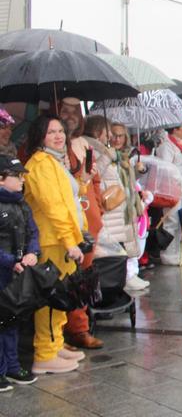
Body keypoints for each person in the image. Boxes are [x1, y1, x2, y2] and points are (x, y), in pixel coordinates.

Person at [24, 116, 87, 374]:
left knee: (60, 297)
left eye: (60, 131)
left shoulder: (53, 161)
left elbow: (67, 197)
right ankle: (45, 353)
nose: (58, 136)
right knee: (50, 298)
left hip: (63, 239)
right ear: (41, 135)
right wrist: (69, 241)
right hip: (52, 240)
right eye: (51, 132)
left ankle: (55, 343)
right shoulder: (40, 164)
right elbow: (53, 207)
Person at [55, 97, 104, 350]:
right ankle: (69, 330)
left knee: (84, 277)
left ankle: (79, 327)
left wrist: (99, 209)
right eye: (65, 111)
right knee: (65, 277)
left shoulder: (84, 145)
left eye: (75, 111)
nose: (70, 116)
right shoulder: (46, 149)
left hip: (87, 220)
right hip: (64, 223)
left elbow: (93, 181)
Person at [83, 116, 148, 291]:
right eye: (109, 132)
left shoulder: (111, 151)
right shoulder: (93, 149)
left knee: (123, 244)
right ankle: (119, 281)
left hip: (122, 204)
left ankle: (127, 277)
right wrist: (107, 157)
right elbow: (94, 174)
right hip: (109, 206)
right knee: (115, 248)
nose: (112, 137)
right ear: (98, 132)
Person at [0, 155, 40, 390]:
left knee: (13, 319)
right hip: (4, 270)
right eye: (17, 176)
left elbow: (32, 232)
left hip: (18, 271)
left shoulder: (22, 204)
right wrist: (10, 261)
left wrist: (33, 253)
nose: (22, 180)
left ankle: (13, 367)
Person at [155, 124, 182, 265]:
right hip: (171, 188)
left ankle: (177, 253)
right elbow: (166, 169)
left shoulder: (181, 144)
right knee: (172, 221)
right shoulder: (166, 146)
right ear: (175, 129)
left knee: (181, 221)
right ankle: (169, 254)